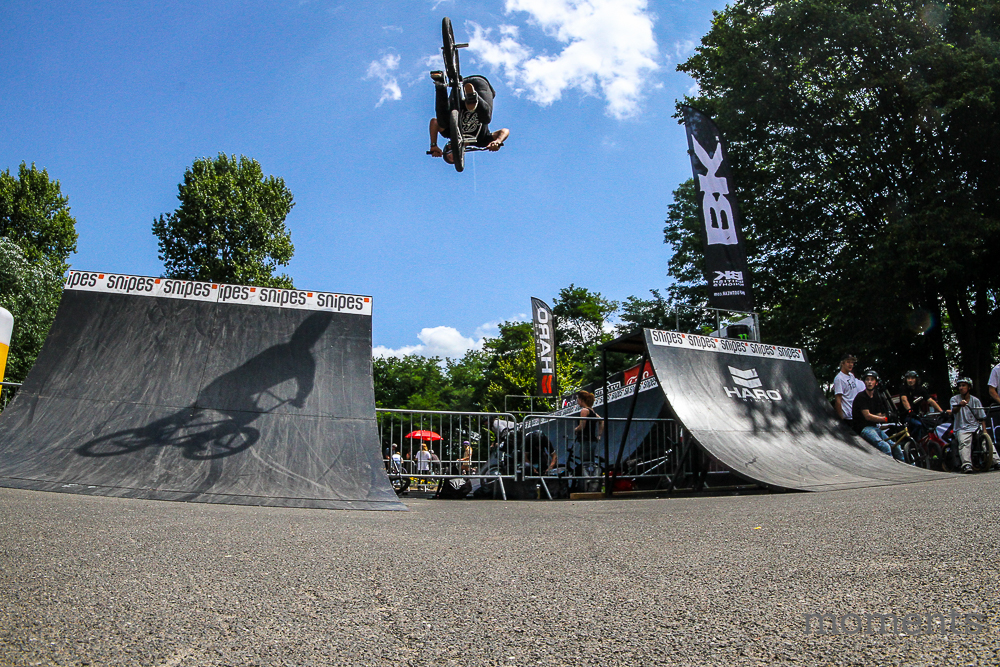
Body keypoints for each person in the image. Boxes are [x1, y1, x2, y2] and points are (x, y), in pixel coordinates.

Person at [428, 72, 509, 164]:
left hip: (460, 88)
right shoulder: (481, 141)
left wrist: (433, 144)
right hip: (480, 86)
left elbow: (434, 122)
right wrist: (498, 141)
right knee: (486, 118)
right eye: (455, 157)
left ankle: (440, 85)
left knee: (443, 122)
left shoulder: (449, 133)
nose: (454, 154)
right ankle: (473, 98)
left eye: (450, 155)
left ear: (447, 148)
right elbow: (505, 131)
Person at [948, 378, 1000, 473]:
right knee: (964, 442)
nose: (961, 388)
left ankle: (996, 461)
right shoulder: (954, 399)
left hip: (975, 427)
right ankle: (967, 464)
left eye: (964, 385)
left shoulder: (975, 400)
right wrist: (959, 405)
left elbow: (981, 417)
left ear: (969, 387)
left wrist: (984, 431)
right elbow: (954, 410)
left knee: (986, 441)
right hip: (962, 428)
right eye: (960, 386)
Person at [851, 369, 905, 461]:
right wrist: (886, 419)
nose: (869, 382)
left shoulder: (876, 396)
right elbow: (867, 416)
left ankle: (908, 468)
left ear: (876, 382)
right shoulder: (861, 397)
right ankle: (891, 469)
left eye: (872, 380)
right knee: (885, 447)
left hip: (875, 428)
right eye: (867, 380)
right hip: (863, 429)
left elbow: (879, 415)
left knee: (896, 447)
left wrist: (890, 417)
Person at [899, 370, 943, 440]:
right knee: (918, 425)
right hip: (905, 415)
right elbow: (904, 400)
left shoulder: (920, 389)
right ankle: (912, 441)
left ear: (916, 379)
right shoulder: (904, 388)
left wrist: (941, 411)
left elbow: (930, 400)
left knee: (928, 424)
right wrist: (909, 410)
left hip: (916, 415)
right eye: (908, 378)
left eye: (912, 378)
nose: (910, 380)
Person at [574, 390, 604, 468]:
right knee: (590, 462)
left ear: (581, 400)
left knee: (586, 462)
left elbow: (582, 426)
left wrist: (576, 429)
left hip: (586, 440)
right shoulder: (592, 411)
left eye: (578, 400)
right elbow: (602, 421)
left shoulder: (584, 410)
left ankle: (587, 478)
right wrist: (599, 435)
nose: (577, 402)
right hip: (592, 439)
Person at [833, 354, 864, 427]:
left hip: (856, 414)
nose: (850, 364)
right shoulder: (839, 379)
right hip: (847, 417)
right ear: (842, 363)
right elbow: (838, 399)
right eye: (848, 362)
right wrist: (841, 418)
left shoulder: (851, 375)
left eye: (852, 362)